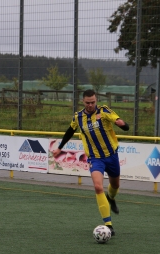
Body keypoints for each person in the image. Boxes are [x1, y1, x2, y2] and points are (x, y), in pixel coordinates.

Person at [52, 89, 129, 236]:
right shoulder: (78, 117)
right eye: (88, 103)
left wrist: (122, 124)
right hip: (95, 158)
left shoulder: (104, 111)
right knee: (98, 186)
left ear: (96, 100)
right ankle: (108, 225)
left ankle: (111, 198)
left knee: (115, 185)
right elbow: (69, 131)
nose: (90, 105)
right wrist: (59, 148)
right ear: (83, 101)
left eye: (93, 102)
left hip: (111, 156)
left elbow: (123, 125)